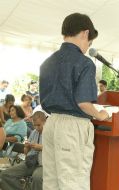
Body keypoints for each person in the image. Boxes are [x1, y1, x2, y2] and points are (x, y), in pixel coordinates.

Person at [39, 13, 109, 190]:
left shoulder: (48, 61)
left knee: (51, 181)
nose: (87, 48)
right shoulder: (84, 63)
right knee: (73, 182)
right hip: (72, 127)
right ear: (85, 33)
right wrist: (100, 114)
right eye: (89, 43)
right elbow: (84, 102)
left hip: (52, 123)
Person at [0, 111, 46, 190]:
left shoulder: (51, 133)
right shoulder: (34, 132)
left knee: (37, 178)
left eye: (39, 125)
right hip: (31, 162)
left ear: (45, 122)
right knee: (5, 175)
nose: (36, 128)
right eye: (34, 125)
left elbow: (56, 151)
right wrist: (26, 147)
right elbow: (26, 153)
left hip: (44, 164)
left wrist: (41, 148)